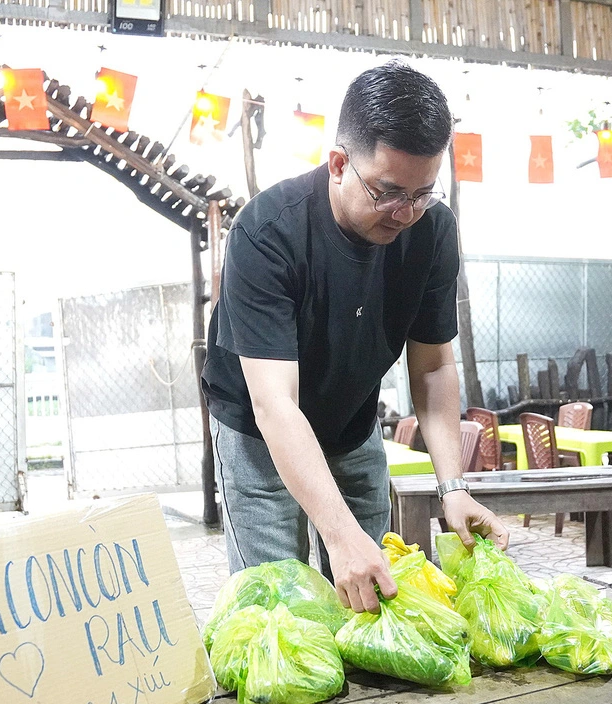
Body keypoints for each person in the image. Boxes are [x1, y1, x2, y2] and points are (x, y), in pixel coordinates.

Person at [201, 60, 509, 614]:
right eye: (389, 192)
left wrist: (452, 488)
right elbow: (275, 406)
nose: (406, 213)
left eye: (422, 193)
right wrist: (339, 537)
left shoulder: (432, 231)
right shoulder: (267, 234)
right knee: (281, 611)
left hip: (351, 420)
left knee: (373, 598)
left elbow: (434, 367)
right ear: (339, 163)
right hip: (261, 426)